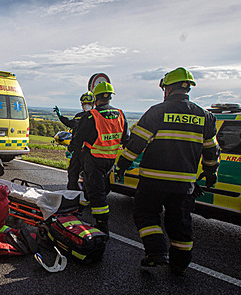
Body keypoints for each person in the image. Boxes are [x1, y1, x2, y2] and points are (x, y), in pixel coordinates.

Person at [114, 67, 220, 275]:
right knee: (180, 222)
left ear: (167, 89)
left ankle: (156, 253)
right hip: (184, 184)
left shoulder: (157, 112)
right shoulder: (205, 117)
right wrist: (211, 173)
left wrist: (122, 166)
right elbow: (211, 151)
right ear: (188, 88)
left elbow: (136, 144)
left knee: (146, 213)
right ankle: (180, 263)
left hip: (153, 180)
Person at [68, 81, 128, 234]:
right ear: (110, 98)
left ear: (95, 98)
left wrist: (72, 150)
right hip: (110, 161)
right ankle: (77, 209)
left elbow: (78, 139)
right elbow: (125, 139)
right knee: (91, 187)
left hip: (94, 160)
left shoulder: (91, 116)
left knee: (97, 194)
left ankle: (102, 226)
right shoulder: (120, 114)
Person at [54, 92, 95, 191]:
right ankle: (71, 195)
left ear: (93, 103)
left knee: (89, 176)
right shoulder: (79, 116)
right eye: (84, 103)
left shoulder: (96, 117)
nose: (86, 105)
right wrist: (60, 116)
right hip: (77, 151)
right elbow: (71, 124)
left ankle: (86, 196)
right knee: (72, 173)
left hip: (90, 152)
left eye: (88, 103)